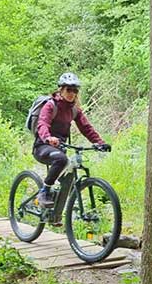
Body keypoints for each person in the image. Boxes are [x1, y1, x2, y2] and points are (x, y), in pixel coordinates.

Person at [33, 72, 110, 207]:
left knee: (68, 176)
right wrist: (48, 137)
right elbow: (42, 124)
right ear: (61, 90)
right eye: (68, 89)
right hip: (42, 146)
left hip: (60, 147)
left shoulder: (74, 110)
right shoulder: (51, 106)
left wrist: (99, 143)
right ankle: (44, 191)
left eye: (75, 90)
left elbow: (86, 128)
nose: (72, 93)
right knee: (62, 160)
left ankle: (55, 214)